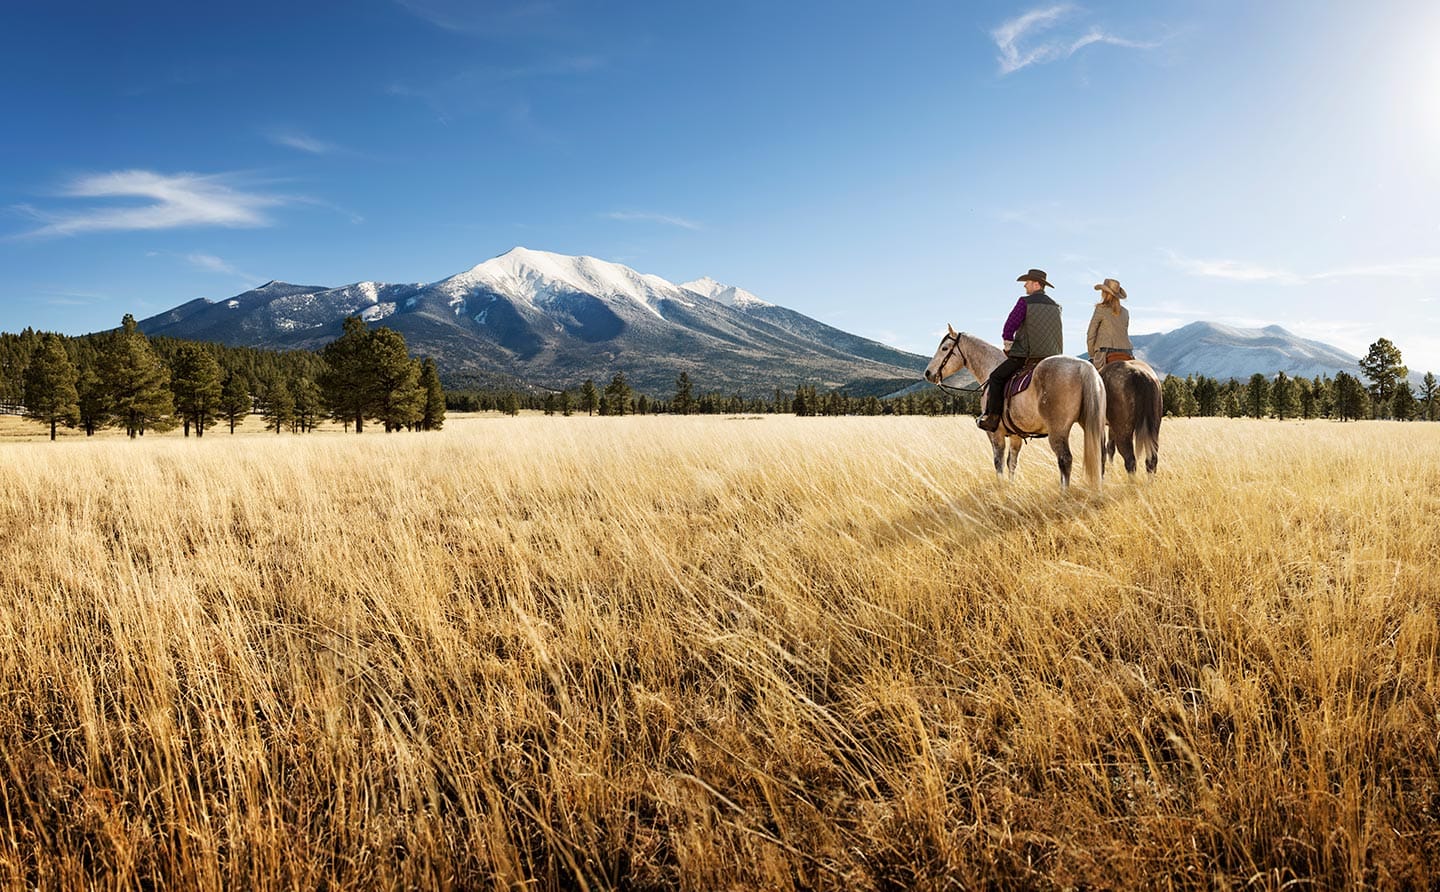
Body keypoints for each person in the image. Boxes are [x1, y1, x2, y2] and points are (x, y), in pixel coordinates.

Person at [977, 268, 1063, 431]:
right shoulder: (1057, 306)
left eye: (1028, 282)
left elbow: (1009, 328)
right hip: (1054, 359)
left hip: (1027, 355)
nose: (1025, 286)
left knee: (996, 377)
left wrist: (1009, 349)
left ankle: (993, 418)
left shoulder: (1025, 302)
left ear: (1037, 284)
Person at [1086, 277, 1132, 370]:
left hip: (1105, 353)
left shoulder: (1101, 309)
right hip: (1127, 353)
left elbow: (1091, 333)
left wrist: (1092, 354)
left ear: (1104, 293)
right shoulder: (1126, 312)